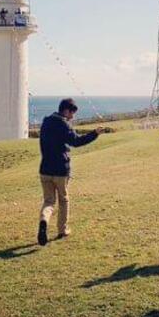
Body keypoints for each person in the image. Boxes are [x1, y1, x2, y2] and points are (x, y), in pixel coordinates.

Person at [37, 98, 104, 245]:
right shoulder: (63, 124)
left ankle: (44, 221)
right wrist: (95, 133)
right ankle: (62, 229)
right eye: (72, 113)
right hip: (60, 169)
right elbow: (76, 141)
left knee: (49, 201)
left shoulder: (46, 121)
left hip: (45, 169)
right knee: (63, 200)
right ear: (66, 110)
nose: (72, 117)